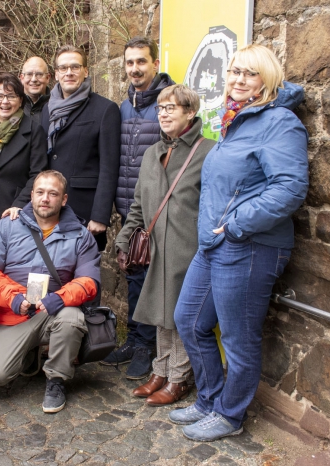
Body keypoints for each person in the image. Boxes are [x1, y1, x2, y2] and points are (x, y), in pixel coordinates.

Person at [170, 44, 309, 442]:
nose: (238, 79)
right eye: (234, 71)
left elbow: (290, 188)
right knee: (190, 321)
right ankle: (210, 399)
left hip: (249, 245)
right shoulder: (235, 120)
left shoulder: (279, 122)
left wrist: (235, 225)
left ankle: (230, 415)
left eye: (249, 74)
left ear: (266, 80)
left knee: (238, 337)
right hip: (215, 244)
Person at [116, 84, 215, 406]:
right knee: (160, 312)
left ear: (191, 112)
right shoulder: (151, 153)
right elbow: (139, 206)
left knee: (181, 317)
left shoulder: (208, 152)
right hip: (155, 251)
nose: (164, 113)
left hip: (189, 252)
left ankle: (178, 378)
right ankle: (161, 369)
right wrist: (124, 238)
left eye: (172, 108)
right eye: (160, 108)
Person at [0, 170, 100, 413]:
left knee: (71, 317)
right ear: (32, 195)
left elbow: (89, 281)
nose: (46, 198)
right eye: (41, 192)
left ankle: (57, 379)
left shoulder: (80, 235)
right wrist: (12, 296)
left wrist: (60, 298)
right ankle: (30, 352)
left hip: (53, 312)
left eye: (53, 194)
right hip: (13, 317)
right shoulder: (6, 227)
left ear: (63, 199)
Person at [102, 36, 176, 380]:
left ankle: (146, 346)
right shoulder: (124, 106)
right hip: (129, 208)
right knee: (133, 275)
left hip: (157, 210)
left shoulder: (168, 102)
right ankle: (133, 338)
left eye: (141, 62)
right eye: (130, 63)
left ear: (155, 64)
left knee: (149, 280)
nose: (135, 68)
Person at [41, 45, 121, 251]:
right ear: (56, 73)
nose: (69, 72)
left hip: (84, 210)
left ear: (86, 71)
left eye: (75, 67)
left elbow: (109, 167)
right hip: (48, 208)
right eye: (63, 68)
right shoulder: (46, 109)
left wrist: (100, 215)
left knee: (83, 276)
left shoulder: (105, 110)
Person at [0, 73, 47, 226]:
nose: (5, 101)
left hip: (15, 212)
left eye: (11, 96)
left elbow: (38, 174)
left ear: (21, 100)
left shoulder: (33, 131)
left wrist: (19, 204)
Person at [20, 57, 51, 126]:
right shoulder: (12, 106)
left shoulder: (56, 106)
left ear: (47, 78)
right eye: (29, 74)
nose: (34, 79)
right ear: (22, 78)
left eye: (39, 74)